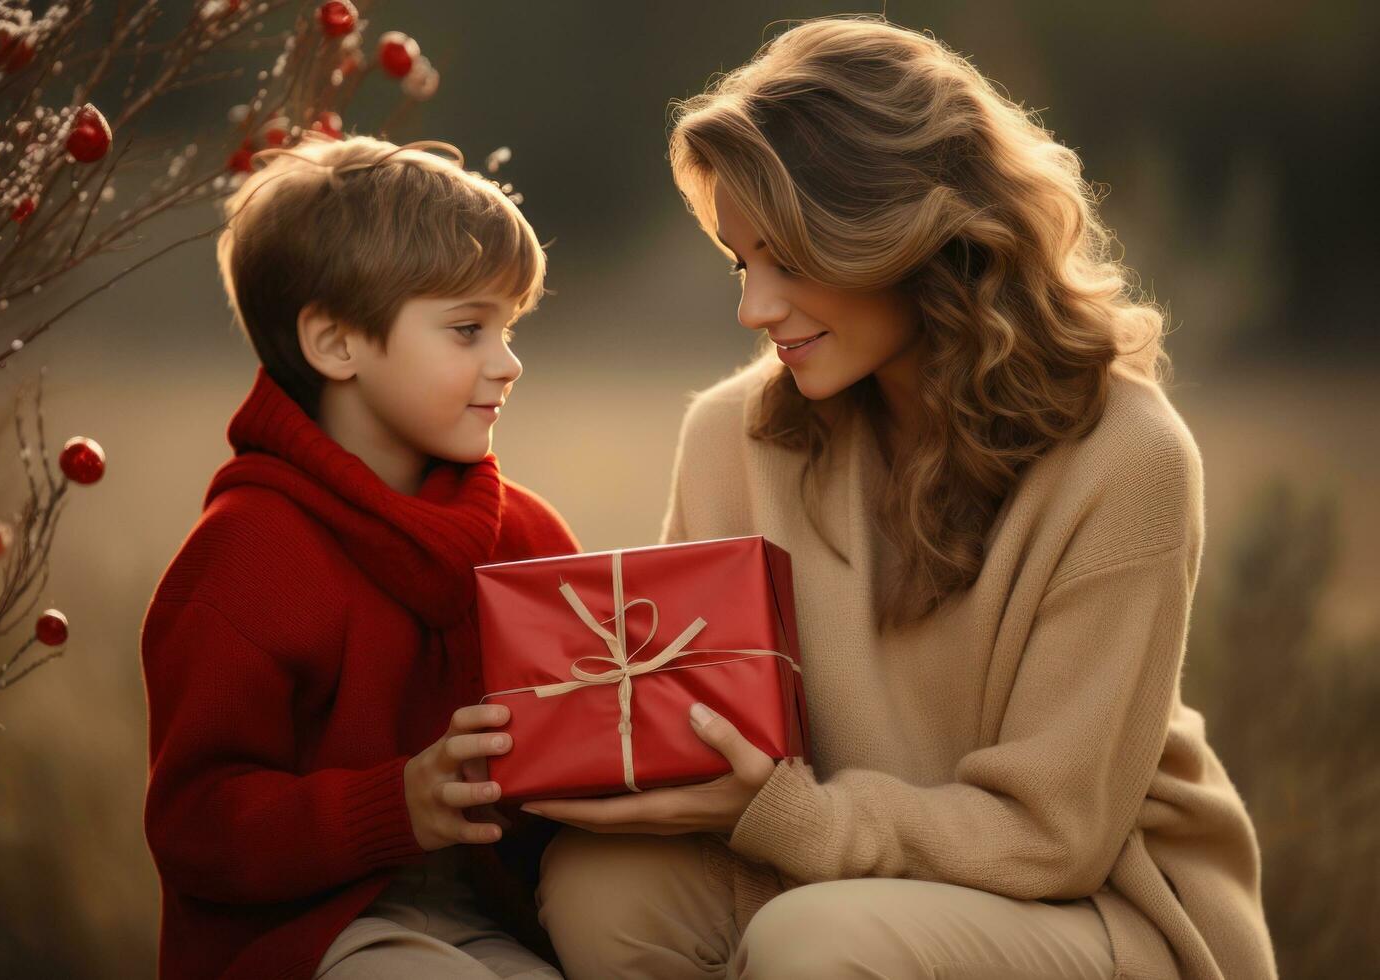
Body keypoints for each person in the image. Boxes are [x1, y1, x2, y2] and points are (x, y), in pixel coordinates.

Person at [528, 17, 1276, 980]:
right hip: (837, 864)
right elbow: (700, 729)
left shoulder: (1127, 458)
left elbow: (1055, 838)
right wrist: (551, 737)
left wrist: (793, 815)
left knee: (814, 945)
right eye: (740, 262)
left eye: (788, 260)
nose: (753, 311)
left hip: (1096, 905)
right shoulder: (730, 436)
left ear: (913, 233)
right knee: (601, 890)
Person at [140, 133, 576, 980]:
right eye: (467, 330)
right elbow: (197, 827)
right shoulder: (244, 558)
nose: (509, 362)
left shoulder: (524, 536)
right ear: (335, 344)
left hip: (494, 919)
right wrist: (395, 805)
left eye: (509, 327)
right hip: (303, 940)